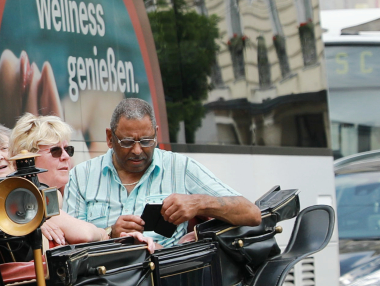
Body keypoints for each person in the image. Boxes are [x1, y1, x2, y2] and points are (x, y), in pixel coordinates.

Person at [63, 98, 261, 247]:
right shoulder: (82, 175)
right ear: (109, 138)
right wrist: (109, 234)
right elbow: (69, 246)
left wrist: (199, 203)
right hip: (102, 284)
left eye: (147, 141)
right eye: (127, 142)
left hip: (166, 279)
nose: (138, 150)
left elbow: (251, 213)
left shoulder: (179, 167)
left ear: (157, 134)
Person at [9, 113, 154, 250]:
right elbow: (85, 234)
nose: (66, 156)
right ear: (26, 159)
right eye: (55, 151)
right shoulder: (30, 195)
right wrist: (105, 234)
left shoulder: (39, 193)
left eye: (68, 149)